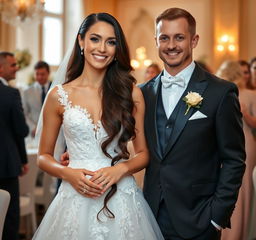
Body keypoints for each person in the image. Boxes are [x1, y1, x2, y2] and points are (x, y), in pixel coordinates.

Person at [32, 13, 164, 240]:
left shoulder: (131, 93)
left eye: (111, 42)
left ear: (116, 49)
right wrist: (68, 174)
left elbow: (143, 154)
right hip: (73, 198)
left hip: (121, 197)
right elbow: (43, 156)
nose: (102, 48)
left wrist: (120, 169)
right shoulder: (59, 96)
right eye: (95, 39)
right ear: (81, 41)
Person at [140, 8, 246, 240]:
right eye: (164, 38)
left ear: (193, 40)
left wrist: (216, 216)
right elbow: (126, 139)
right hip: (148, 216)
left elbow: (234, 159)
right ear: (156, 41)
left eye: (179, 37)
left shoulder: (221, 92)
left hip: (198, 218)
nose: (171, 45)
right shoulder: (142, 94)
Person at [216, 60, 256, 240]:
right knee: (227, 184)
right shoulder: (220, 93)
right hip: (228, 143)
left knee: (244, 186)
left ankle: (238, 233)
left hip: (246, 143)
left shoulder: (250, 95)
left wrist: (245, 113)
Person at [0, 51, 29, 240]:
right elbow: (21, 130)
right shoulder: (11, 94)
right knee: (9, 218)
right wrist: (23, 160)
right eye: (12, 65)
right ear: (1, 68)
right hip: (6, 164)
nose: (16, 68)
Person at [23, 61, 51, 138]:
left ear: (48, 73)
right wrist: (33, 128)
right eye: (37, 74)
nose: (39, 77)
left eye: (42, 74)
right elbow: (24, 113)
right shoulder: (27, 92)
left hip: (53, 131)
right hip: (34, 133)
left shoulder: (55, 88)